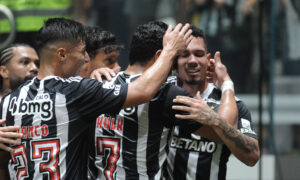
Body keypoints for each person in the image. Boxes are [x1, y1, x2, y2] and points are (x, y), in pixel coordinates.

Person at [0, 18, 193, 179]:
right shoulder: (76, 91)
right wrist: (169, 51)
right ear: (62, 54)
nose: (86, 59)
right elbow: (144, 91)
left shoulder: (8, 101)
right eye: (83, 51)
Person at [87, 21, 238, 180]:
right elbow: (225, 132)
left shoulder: (98, 84)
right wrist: (227, 84)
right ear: (160, 56)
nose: (173, 67)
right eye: (174, 58)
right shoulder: (166, 94)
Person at [165, 25, 260, 180]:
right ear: (175, 61)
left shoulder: (231, 104)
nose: (193, 61)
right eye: (185, 54)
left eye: (199, 54)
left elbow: (252, 156)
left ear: (207, 60)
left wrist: (215, 119)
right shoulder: (161, 94)